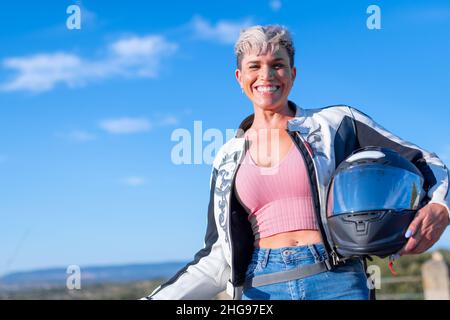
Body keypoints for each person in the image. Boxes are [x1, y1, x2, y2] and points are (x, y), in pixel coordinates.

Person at [142, 25, 450, 300]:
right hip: (260, 284)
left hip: (337, 279)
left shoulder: (336, 123)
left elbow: (425, 161)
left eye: (278, 65)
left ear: (293, 74)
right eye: (255, 66)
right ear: (240, 77)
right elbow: (217, 255)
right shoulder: (226, 157)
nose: (267, 76)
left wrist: (441, 205)